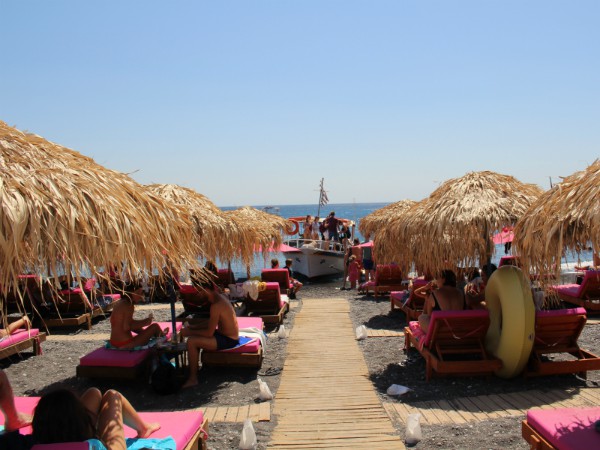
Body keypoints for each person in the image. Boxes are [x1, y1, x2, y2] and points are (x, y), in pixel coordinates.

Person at [0, 370, 160, 450]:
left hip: (52, 437)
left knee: (93, 393)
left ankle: (144, 427)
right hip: (90, 439)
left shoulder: (25, 444)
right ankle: (144, 428)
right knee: (112, 396)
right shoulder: (92, 445)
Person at [182, 285, 239, 388]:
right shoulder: (221, 297)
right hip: (224, 335)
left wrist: (190, 332)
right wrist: (194, 327)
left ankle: (193, 379)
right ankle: (194, 368)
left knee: (191, 341)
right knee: (194, 337)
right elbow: (212, 321)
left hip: (228, 339)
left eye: (199, 291)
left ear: (207, 290)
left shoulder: (216, 305)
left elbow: (209, 333)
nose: (198, 294)